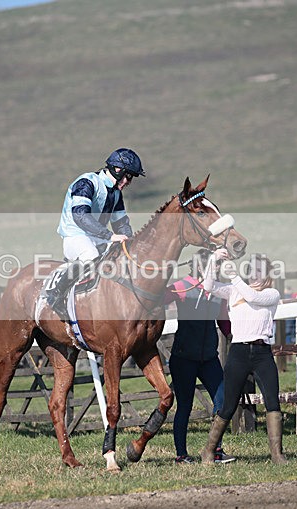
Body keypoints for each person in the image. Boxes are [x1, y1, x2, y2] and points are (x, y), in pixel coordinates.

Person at [200, 249, 287, 464]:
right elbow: (208, 286)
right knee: (229, 406)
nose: (254, 274)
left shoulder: (272, 293)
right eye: (252, 270)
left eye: (259, 270)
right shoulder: (234, 290)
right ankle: (208, 451)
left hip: (262, 354)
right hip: (239, 353)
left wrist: (233, 276)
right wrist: (214, 259)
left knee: (272, 402)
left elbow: (252, 297)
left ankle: (277, 454)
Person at [48, 148, 145, 316]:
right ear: (117, 170)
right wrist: (110, 236)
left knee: (120, 257)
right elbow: (80, 216)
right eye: (129, 176)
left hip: (97, 237)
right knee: (90, 255)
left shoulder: (116, 194)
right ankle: (56, 294)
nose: (129, 182)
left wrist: (131, 243)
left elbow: (121, 223)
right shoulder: (86, 182)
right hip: (74, 236)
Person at [165, 249, 235, 464]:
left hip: (209, 358)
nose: (217, 269)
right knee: (184, 406)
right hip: (183, 358)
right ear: (199, 266)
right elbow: (157, 299)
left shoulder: (217, 290)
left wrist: (233, 336)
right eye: (214, 265)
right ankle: (181, 455)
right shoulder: (181, 286)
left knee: (222, 402)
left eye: (217, 265)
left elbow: (223, 319)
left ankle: (215, 451)